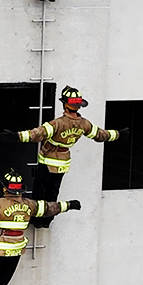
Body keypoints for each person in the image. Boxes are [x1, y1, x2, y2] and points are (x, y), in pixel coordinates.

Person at [14, 86, 118, 227]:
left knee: (40, 193)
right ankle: (47, 221)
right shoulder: (84, 124)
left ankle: (38, 221)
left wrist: (17, 137)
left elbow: (38, 133)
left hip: (47, 162)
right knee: (53, 192)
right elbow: (101, 135)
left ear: (65, 104)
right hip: (63, 163)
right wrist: (118, 134)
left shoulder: (58, 123)